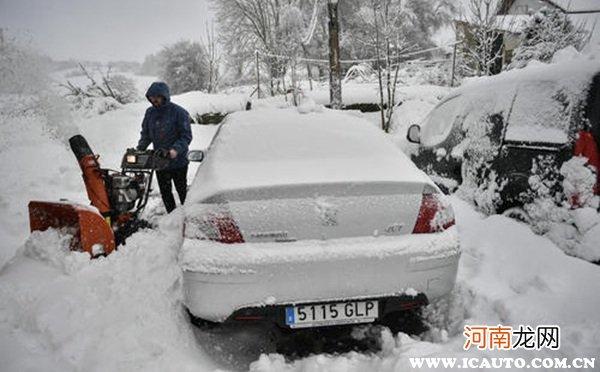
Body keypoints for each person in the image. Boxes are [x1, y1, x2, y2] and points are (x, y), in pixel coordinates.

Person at [137, 81, 192, 213]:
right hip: (160, 160)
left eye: (157, 96)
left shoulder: (179, 112)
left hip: (178, 161)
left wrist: (175, 150)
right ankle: (171, 216)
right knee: (165, 192)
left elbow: (186, 136)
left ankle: (188, 214)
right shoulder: (150, 113)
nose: (154, 99)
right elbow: (146, 134)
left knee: (182, 190)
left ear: (164, 96)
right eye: (151, 97)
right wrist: (140, 148)